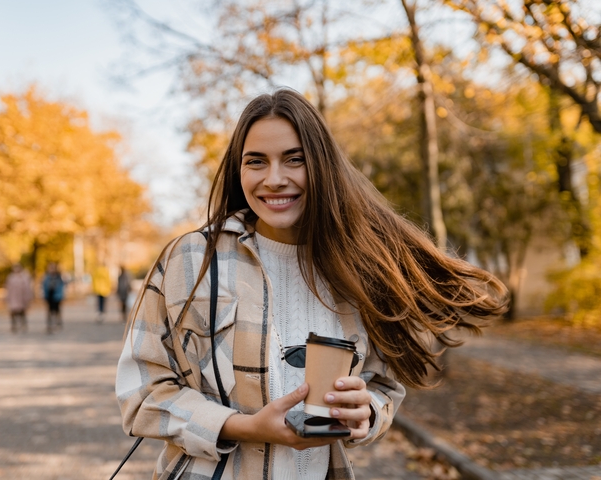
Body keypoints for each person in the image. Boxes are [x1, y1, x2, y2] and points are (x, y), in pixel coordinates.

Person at [115, 89, 508, 479]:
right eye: (256, 162)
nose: (274, 179)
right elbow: (142, 393)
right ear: (239, 170)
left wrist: (365, 411)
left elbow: (384, 386)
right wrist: (243, 426)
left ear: (321, 165)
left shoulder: (359, 264)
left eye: (293, 160)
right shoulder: (190, 259)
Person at [4, 263, 34, 333]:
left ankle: (23, 325)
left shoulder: (24, 277)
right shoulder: (10, 277)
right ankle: (14, 325)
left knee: (22, 312)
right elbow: (8, 288)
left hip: (22, 298)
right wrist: (6, 297)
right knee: (13, 312)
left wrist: (28, 298)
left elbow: (27, 289)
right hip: (13, 297)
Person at [42, 262, 64, 334]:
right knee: (49, 311)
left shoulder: (58, 277)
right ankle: (49, 324)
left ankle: (57, 322)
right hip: (49, 296)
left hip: (57, 296)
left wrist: (60, 296)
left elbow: (61, 287)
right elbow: (44, 287)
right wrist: (44, 295)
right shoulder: (46, 277)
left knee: (57, 310)